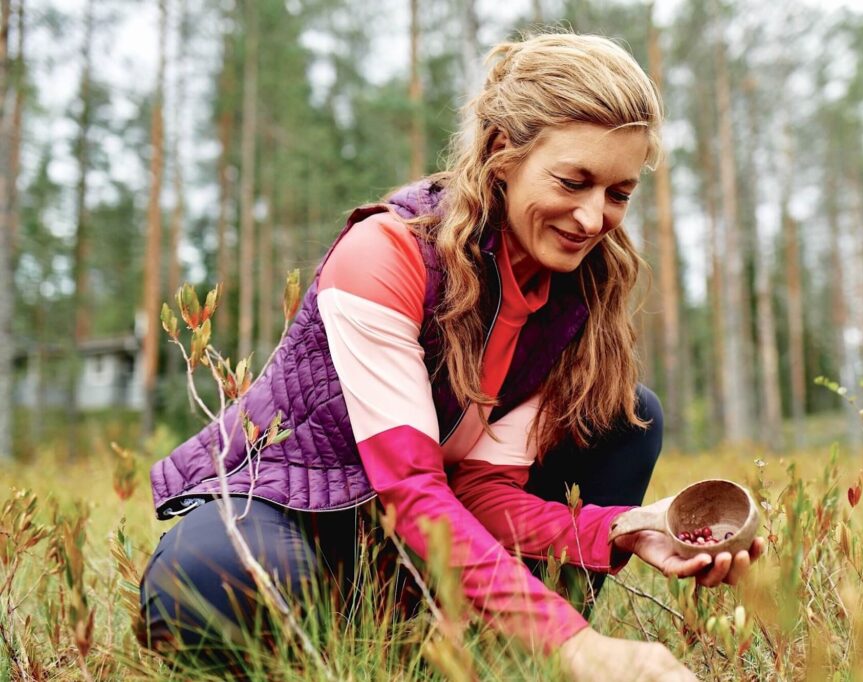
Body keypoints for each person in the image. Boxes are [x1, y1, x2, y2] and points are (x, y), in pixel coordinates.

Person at [138, 32, 764, 681]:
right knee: (218, 578)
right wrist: (577, 643)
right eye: (573, 181)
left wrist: (626, 529)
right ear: (501, 152)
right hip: (299, 515)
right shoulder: (384, 256)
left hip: (409, 548)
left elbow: (484, 494)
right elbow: (412, 491)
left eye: (618, 192)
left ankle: (496, 661)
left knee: (629, 417)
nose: (591, 217)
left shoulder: (568, 294)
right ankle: (536, 647)